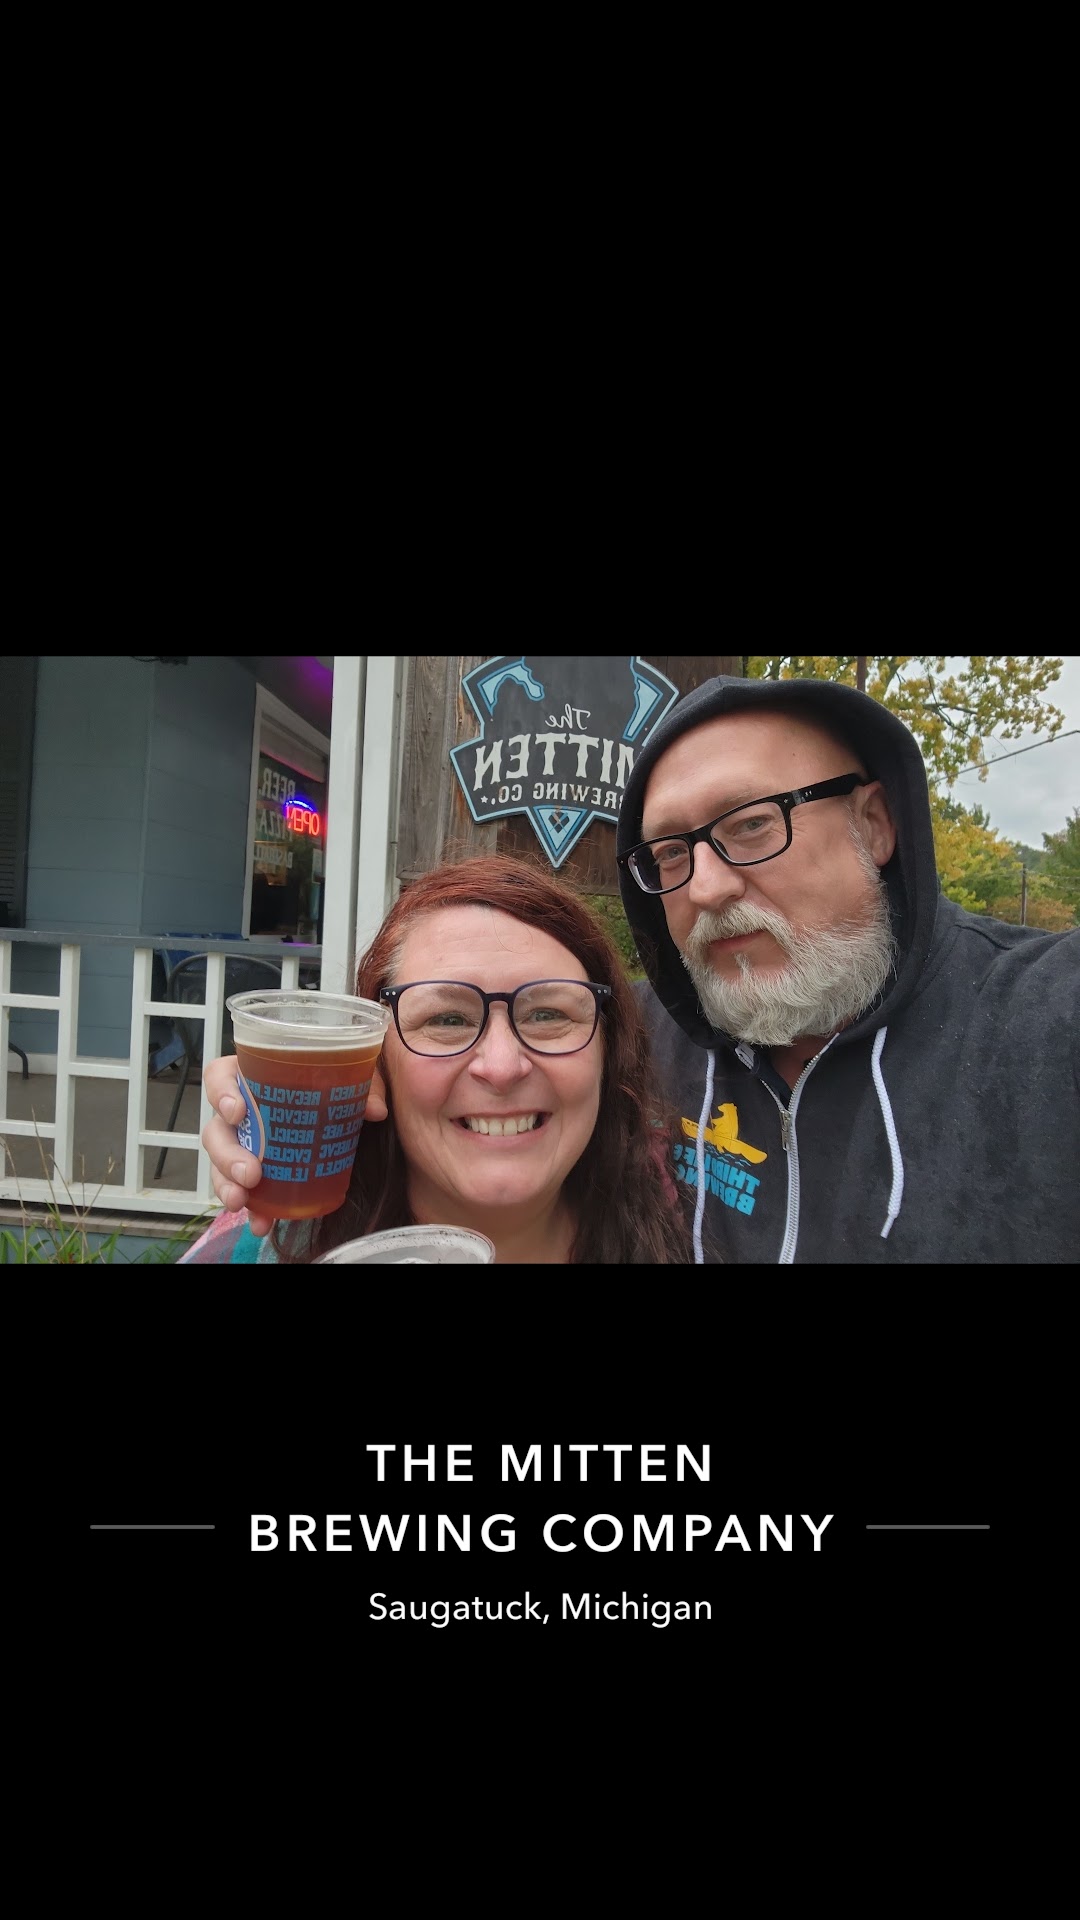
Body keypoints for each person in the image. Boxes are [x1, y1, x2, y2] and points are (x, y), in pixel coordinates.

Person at [614, 670, 1079, 1265]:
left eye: (753, 823)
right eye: (671, 853)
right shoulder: (629, 1038)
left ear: (875, 824)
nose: (704, 889)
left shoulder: (1045, 1023)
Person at [181, 854, 696, 1264]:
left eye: (547, 1014)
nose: (501, 1067)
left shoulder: (691, 1206)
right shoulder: (267, 1247)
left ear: (609, 1047)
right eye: (447, 1020)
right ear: (377, 1061)